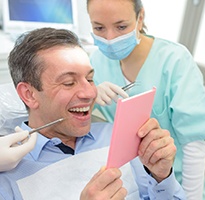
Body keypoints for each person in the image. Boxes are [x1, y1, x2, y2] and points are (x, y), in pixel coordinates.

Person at [0, 27, 186, 200]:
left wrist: (161, 177)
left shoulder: (116, 135)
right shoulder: (8, 175)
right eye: (69, 83)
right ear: (29, 94)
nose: (90, 93)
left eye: (89, 79)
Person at [86, 0, 205, 199]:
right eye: (99, 27)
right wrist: (92, 96)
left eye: (121, 26)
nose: (110, 37)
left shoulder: (174, 61)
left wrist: (191, 197)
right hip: (131, 182)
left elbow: (195, 145)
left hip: (177, 182)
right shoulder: (96, 61)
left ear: (140, 18)